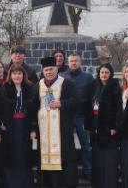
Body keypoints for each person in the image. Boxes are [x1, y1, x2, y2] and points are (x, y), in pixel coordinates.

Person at [0, 64, 38, 188]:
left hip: (24, 127)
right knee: (10, 156)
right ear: (10, 75)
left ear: (23, 75)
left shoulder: (30, 89)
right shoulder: (4, 89)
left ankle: (25, 183)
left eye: (19, 73)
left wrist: (33, 129)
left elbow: (34, 111)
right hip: (9, 128)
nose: (17, 76)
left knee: (23, 155)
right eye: (14, 74)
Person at [37, 56, 78, 188]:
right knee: (44, 159)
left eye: (51, 69)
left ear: (57, 69)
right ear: (43, 71)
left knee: (65, 158)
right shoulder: (38, 85)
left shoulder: (66, 83)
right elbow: (32, 106)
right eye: (46, 70)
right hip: (43, 131)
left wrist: (61, 103)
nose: (49, 72)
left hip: (63, 130)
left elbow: (76, 101)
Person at [85, 63, 122, 188]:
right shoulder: (95, 86)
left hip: (108, 129)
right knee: (97, 160)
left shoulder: (115, 87)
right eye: (102, 72)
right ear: (99, 74)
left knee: (109, 160)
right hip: (96, 127)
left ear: (110, 74)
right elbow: (89, 106)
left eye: (106, 72)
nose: (104, 75)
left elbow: (118, 109)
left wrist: (114, 127)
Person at [62, 53, 93, 179]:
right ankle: (68, 170)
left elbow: (92, 96)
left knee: (85, 144)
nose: (73, 63)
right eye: (71, 61)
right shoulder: (62, 77)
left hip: (82, 116)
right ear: (68, 63)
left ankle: (87, 169)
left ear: (80, 62)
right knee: (67, 145)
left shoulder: (88, 77)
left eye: (76, 61)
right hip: (67, 116)